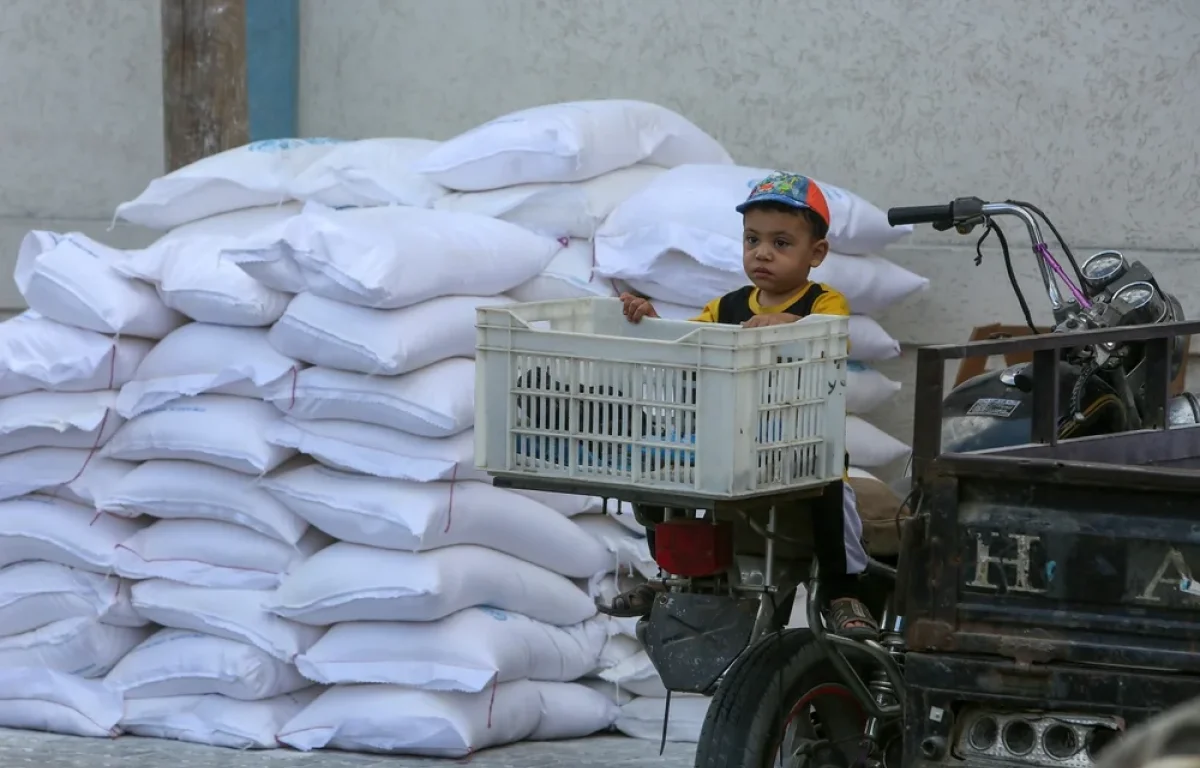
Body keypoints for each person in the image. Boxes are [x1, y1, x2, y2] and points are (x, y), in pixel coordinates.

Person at [598, 171, 878, 640]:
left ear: (817, 254)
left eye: (781, 242)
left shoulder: (823, 302)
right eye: (753, 239)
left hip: (799, 444)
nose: (763, 252)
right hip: (729, 443)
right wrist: (650, 319)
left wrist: (787, 322)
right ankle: (669, 575)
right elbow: (689, 341)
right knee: (658, 471)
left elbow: (831, 334)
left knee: (830, 490)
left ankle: (841, 591)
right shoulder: (725, 306)